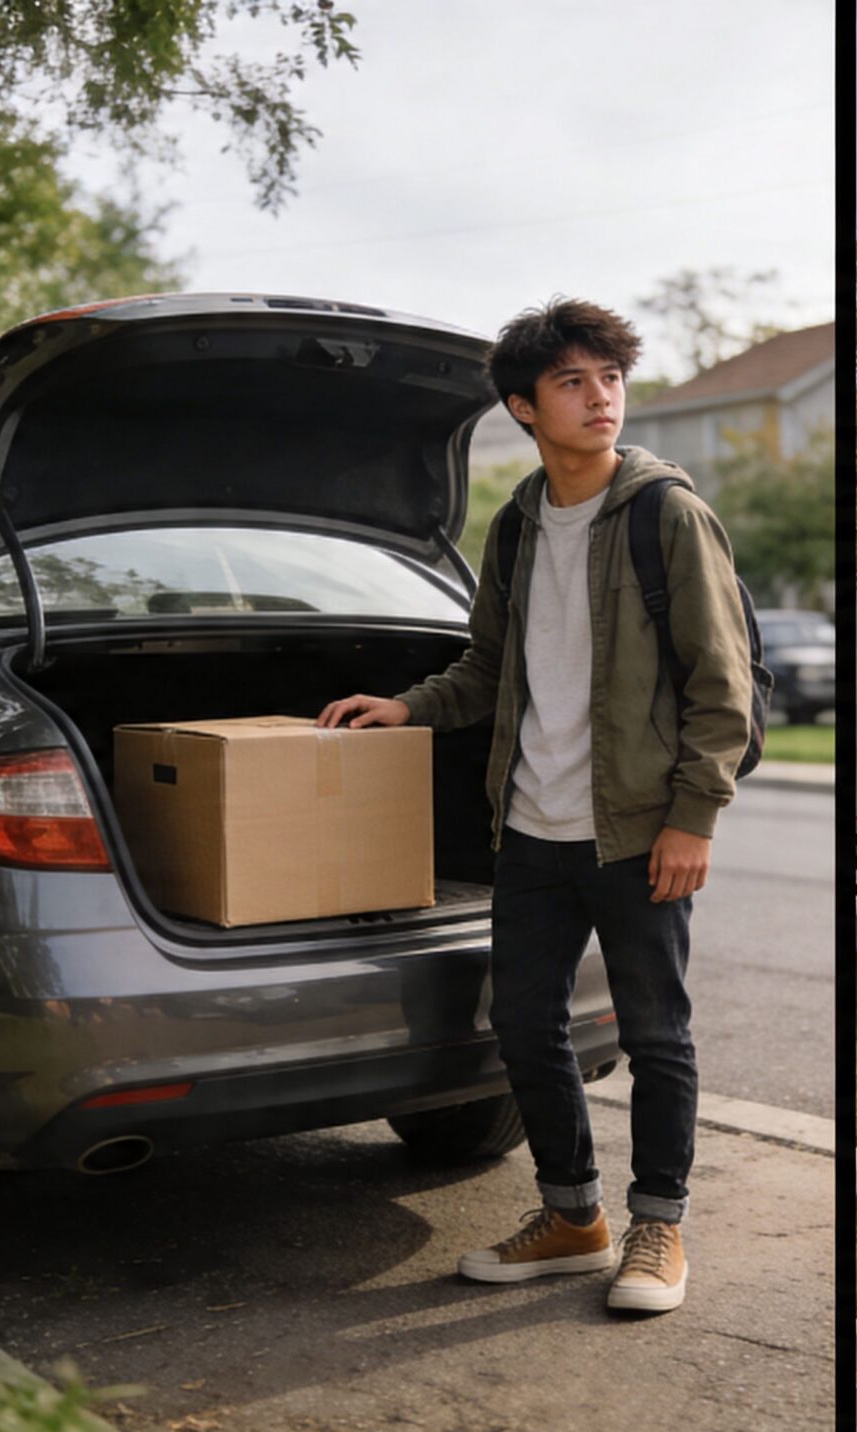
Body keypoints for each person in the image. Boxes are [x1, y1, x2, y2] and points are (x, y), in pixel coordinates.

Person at [316, 299, 757, 1315]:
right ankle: (571, 1217)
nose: (600, 397)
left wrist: (695, 816)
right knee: (523, 1028)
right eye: (572, 381)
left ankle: (658, 1228)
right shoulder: (515, 525)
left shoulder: (665, 515)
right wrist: (406, 706)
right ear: (523, 406)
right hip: (529, 830)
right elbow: (484, 670)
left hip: (638, 830)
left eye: (608, 376)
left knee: (656, 1035)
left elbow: (720, 685)